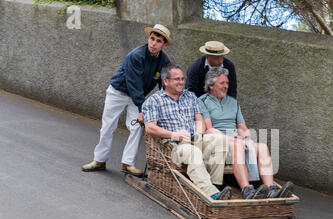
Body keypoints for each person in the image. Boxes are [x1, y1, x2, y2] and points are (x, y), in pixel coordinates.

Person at [82, 24, 173, 177]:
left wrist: (165, 105)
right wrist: (143, 109)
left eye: (158, 41)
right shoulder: (136, 55)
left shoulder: (164, 61)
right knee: (108, 126)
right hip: (118, 92)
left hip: (136, 98)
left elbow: (164, 85)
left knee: (136, 127)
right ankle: (99, 160)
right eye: (152, 39)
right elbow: (134, 83)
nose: (153, 43)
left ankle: (128, 164)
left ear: (164, 45)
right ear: (148, 38)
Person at [198, 67, 294, 199]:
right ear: (211, 85)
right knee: (237, 146)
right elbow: (209, 129)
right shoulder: (202, 101)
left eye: (227, 83)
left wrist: (247, 139)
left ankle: (271, 189)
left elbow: (242, 127)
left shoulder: (233, 102)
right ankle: (246, 190)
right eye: (222, 83)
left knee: (262, 147)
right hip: (218, 142)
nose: (226, 86)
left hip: (237, 140)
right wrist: (234, 140)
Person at [142, 64, 233, 200]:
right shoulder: (154, 100)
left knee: (221, 140)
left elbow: (199, 119)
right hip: (174, 146)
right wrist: (174, 135)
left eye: (182, 79)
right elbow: (150, 127)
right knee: (193, 152)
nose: (181, 82)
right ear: (166, 81)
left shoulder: (190, 96)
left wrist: (198, 134)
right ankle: (210, 193)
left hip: (194, 140)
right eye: (177, 79)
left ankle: (216, 186)